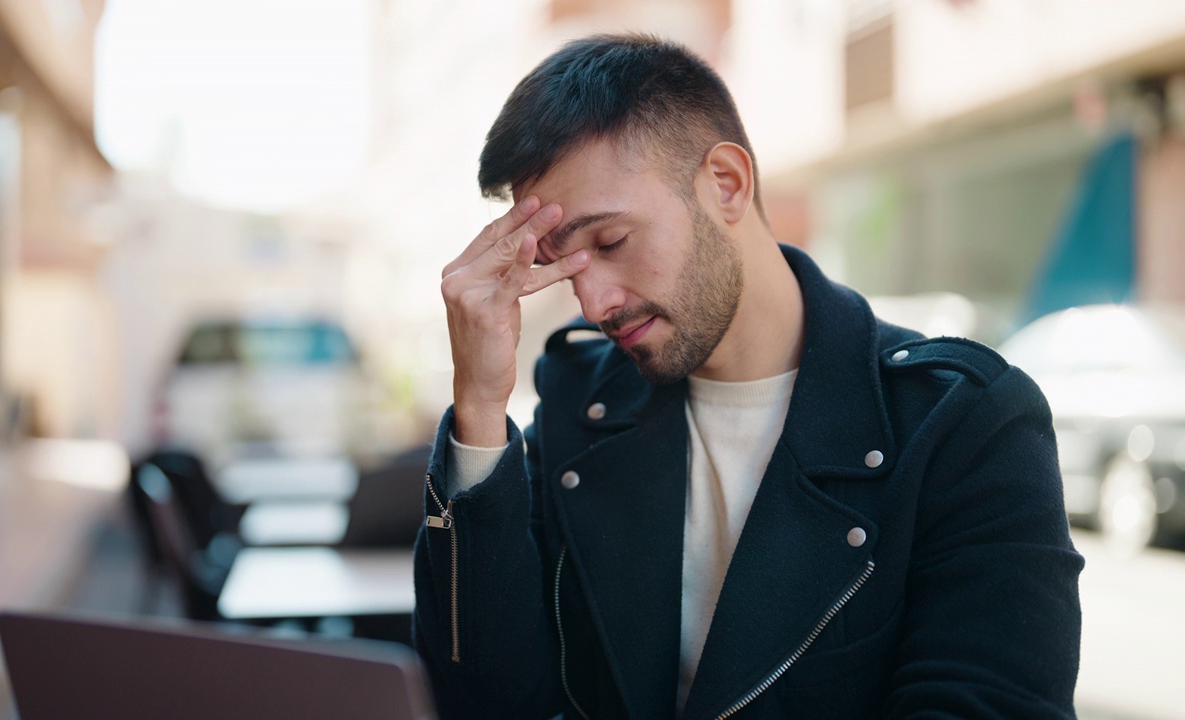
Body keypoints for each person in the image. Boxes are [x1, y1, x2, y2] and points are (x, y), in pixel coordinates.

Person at [413, 33, 1083, 720]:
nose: (595, 303)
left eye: (611, 242)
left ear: (726, 184)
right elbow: (486, 699)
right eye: (565, 266)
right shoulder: (583, 403)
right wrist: (480, 407)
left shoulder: (963, 426)